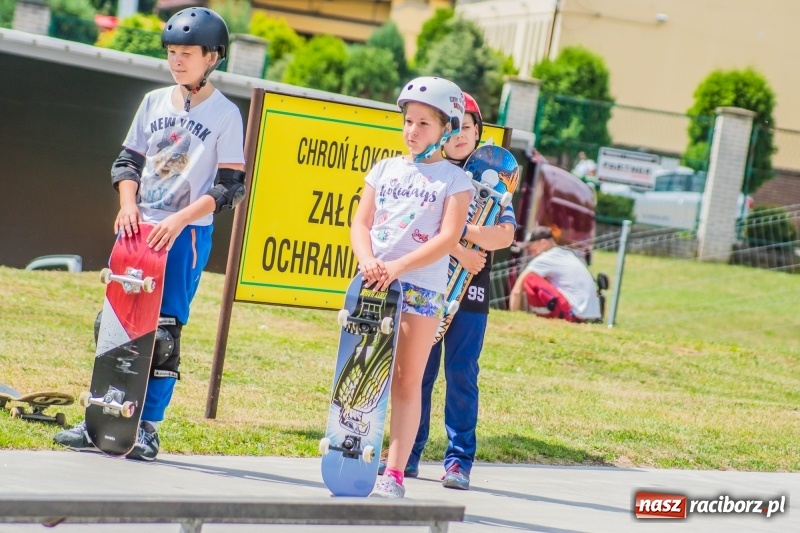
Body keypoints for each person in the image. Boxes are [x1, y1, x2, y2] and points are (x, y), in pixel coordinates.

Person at [54, 7, 246, 461]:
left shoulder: (225, 114)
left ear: (212, 58)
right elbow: (127, 163)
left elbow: (230, 187)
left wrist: (179, 221)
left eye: (188, 54)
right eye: (173, 53)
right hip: (138, 229)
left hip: (185, 234)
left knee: (163, 331)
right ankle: (98, 417)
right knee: (116, 323)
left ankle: (148, 428)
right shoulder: (153, 102)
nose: (177, 61)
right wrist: (127, 205)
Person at [378, 94, 516, 490]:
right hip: (428, 285)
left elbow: (503, 234)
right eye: (457, 127)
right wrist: (456, 241)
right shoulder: (432, 174)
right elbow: (425, 229)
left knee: (461, 373)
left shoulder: (491, 182)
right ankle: (408, 453)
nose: (461, 136)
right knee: (416, 372)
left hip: (470, 293)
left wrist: (464, 233)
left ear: (477, 134)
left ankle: (458, 461)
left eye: (470, 129)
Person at [351, 76, 473, 498]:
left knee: (405, 381)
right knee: (362, 373)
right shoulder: (384, 169)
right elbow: (361, 223)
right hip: (373, 284)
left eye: (424, 123)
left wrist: (399, 265)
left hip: (420, 288)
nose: (412, 130)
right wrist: (368, 259)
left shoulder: (456, 181)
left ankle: (395, 472)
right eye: (408, 121)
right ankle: (352, 450)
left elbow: (447, 238)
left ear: (448, 130)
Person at [508, 226, 601, 323]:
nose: (532, 254)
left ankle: (541, 317)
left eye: (532, 249)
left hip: (575, 314)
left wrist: (514, 319)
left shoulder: (546, 258)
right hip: (589, 315)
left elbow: (516, 291)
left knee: (530, 279)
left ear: (543, 243)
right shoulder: (566, 254)